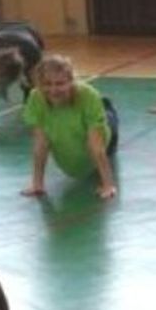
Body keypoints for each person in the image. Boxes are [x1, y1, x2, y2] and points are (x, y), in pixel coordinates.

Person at [21, 54, 119, 201]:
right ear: (39, 84)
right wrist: (37, 184)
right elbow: (41, 143)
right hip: (70, 130)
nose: (53, 90)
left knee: (106, 120)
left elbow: (96, 144)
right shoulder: (36, 98)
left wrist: (108, 185)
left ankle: (106, 106)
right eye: (47, 84)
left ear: (71, 81)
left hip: (105, 137)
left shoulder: (88, 95)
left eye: (60, 83)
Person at [0, 21, 45, 132]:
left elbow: (40, 88)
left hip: (29, 32)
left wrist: (46, 118)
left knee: (34, 84)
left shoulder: (32, 53)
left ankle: (26, 90)